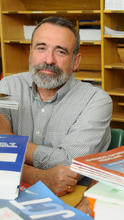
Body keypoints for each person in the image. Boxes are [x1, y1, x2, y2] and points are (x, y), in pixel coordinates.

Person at [0, 16, 112, 196]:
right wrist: (38, 176)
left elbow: (70, 164)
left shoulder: (96, 101)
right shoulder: (8, 87)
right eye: (41, 48)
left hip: (68, 197)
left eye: (60, 52)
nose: (49, 59)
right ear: (30, 53)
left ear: (76, 61)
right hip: (9, 190)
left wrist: (9, 141)